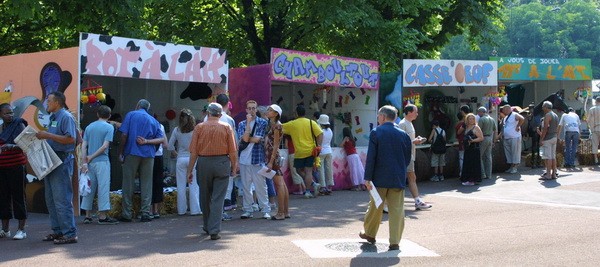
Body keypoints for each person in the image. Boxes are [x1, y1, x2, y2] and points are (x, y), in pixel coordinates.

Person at [359, 105, 412, 251]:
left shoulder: (376, 132)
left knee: (375, 206)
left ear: (382, 116)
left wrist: (368, 178)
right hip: (397, 178)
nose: (378, 119)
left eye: (378, 116)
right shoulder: (404, 135)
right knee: (397, 210)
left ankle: (370, 233)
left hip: (379, 178)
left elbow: (371, 158)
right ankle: (394, 241)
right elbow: (407, 158)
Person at [186, 103, 238, 240]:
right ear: (220, 115)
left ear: (207, 113)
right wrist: (234, 166)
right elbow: (232, 151)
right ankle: (214, 229)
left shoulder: (199, 127)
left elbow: (193, 152)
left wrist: (189, 170)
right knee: (218, 198)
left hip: (203, 163)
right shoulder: (227, 127)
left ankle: (207, 225)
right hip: (222, 163)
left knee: (204, 195)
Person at [34, 91, 78, 244]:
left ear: (57, 102)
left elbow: (71, 139)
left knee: (62, 198)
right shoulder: (53, 117)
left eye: (49, 100)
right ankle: (58, 231)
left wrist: (48, 136)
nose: (47, 103)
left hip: (62, 160)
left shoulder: (65, 117)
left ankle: (69, 233)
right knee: (51, 199)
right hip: (50, 159)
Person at [117, 99, 164, 223]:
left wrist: (121, 152)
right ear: (148, 108)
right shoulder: (154, 120)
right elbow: (161, 139)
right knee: (147, 183)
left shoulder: (131, 115)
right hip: (148, 154)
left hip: (132, 151)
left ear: (137, 105)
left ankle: (127, 213)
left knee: (128, 183)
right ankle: (145, 212)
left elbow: (124, 135)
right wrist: (148, 142)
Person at [80, 105, 118, 225]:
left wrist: (84, 161)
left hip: (89, 163)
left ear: (97, 114)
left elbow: (83, 146)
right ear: (109, 116)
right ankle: (102, 216)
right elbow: (105, 146)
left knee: (89, 187)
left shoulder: (89, 127)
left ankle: (87, 215)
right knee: (103, 187)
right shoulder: (109, 127)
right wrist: (92, 156)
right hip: (102, 161)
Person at [237, 100, 271, 219]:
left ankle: (265, 209)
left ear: (256, 109)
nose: (251, 110)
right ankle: (247, 209)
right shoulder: (242, 124)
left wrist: (248, 138)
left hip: (257, 159)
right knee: (246, 187)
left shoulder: (262, 122)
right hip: (244, 160)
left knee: (260, 186)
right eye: (249, 108)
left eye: (253, 108)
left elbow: (257, 139)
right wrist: (248, 125)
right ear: (246, 110)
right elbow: (244, 139)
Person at [0, 103, 28, 240]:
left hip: (16, 166)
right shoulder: (0, 127)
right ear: (1, 114)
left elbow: (25, 144)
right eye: (6, 113)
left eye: (11, 112)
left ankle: (21, 230)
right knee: (3, 198)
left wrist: (11, 146)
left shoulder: (19, 124)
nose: (10, 115)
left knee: (18, 197)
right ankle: (5, 230)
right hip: (2, 167)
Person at [282, 105, 323, 198]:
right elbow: (320, 134)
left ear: (296, 113)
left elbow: (279, 127)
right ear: (305, 113)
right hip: (311, 151)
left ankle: (308, 190)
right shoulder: (311, 122)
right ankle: (312, 186)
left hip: (299, 152)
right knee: (308, 171)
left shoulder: (292, 124)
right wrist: (319, 146)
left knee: (298, 170)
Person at [397, 104, 432, 210]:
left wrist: (416, 139)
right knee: (411, 178)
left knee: (411, 178)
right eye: (415, 112)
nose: (417, 114)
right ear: (409, 112)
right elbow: (400, 142)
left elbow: (407, 140)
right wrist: (414, 141)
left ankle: (417, 201)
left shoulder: (409, 123)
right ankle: (417, 201)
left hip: (410, 155)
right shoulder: (403, 124)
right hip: (406, 156)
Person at [168, 109, 201, 216]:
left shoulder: (176, 130)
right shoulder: (196, 130)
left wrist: (177, 154)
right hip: (193, 159)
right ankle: (195, 209)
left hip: (181, 159)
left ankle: (181, 210)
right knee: (193, 185)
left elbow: (170, 146)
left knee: (181, 186)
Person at [264, 104, 289, 220]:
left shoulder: (277, 126)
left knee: (279, 184)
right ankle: (285, 211)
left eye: (270, 110)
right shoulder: (273, 125)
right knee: (281, 184)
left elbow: (275, 145)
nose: (268, 111)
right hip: (272, 156)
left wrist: (271, 161)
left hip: (272, 157)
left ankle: (281, 212)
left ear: (276, 114)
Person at [460, 113, 484, 186]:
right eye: (470, 119)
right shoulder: (467, 127)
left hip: (474, 148)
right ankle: (468, 179)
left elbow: (481, 138)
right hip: (468, 149)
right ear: (467, 120)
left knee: (473, 164)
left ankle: (472, 180)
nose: (472, 120)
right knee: (468, 164)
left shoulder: (476, 127)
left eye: (473, 118)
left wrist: (472, 141)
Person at [151, 123, 169, 218]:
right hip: (158, 156)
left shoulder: (144, 124)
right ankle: (156, 209)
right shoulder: (160, 126)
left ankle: (148, 209)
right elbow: (165, 144)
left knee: (147, 182)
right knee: (158, 182)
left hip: (147, 155)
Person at [538, 101, 559, 180]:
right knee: (553, 156)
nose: (542, 108)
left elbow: (545, 128)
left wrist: (541, 139)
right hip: (554, 137)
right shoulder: (555, 115)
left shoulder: (547, 115)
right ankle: (554, 174)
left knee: (548, 157)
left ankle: (548, 175)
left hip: (548, 138)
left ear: (546, 107)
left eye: (543, 106)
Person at [500, 104, 524, 174]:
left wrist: (518, 126)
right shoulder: (505, 117)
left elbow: (522, 119)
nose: (504, 111)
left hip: (514, 137)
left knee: (515, 152)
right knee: (509, 153)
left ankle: (515, 167)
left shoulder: (514, 114)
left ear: (508, 109)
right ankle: (511, 166)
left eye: (504, 109)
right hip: (507, 138)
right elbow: (504, 128)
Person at [477, 107, 497, 179]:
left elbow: (478, 130)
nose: (478, 114)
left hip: (483, 138)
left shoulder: (481, 119)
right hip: (490, 138)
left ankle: (483, 174)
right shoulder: (492, 119)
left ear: (481, 112)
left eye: (478, 112)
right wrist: (494, 140)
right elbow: (495, 130)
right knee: (488, 157)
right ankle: (489, 174)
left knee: (479, 156)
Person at [317, 114, 334, 195]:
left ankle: (323, 186)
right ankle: (330, 185)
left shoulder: (320, 131)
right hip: (329, 150)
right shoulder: (330, 131)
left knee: (321, 169)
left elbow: (318, 142)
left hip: (322, 151)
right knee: (329, 168)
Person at [456, 105, 471, 177]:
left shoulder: (465, 121)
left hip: (463, 141)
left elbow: (459, 132)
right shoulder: (472, 119)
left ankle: (463, 173)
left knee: (462, 158)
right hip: (471, 141)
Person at [526, 103, 542, 168]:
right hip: (532, 132)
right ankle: (533, 163)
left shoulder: (537, 115)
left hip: (536, 132)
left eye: (532, 108)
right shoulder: (529, 115)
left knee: (537, 147)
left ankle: (537, 162)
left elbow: (539, 123)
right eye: (530, 109)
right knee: (534, 147)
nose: (531, 110)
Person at [587, 97, 600, 164]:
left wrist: (590, 128)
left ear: (596, 101)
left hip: (595, 129)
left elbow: (588, 120)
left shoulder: (592, 109)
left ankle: (596, 159)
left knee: (595, 144)